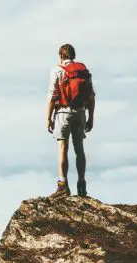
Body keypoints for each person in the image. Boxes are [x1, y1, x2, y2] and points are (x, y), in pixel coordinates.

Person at [46, 44, 95, 198]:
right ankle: (81, 184)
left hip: (63, 113)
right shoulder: (83, 72)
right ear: (73, 55)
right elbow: (92, 96)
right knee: (79, 149)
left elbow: (52, 96)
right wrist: (91, 118)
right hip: (80, 113)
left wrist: (48, 118)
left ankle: (63, 186)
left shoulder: (57, 70)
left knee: (63, 148)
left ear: (61, 55)